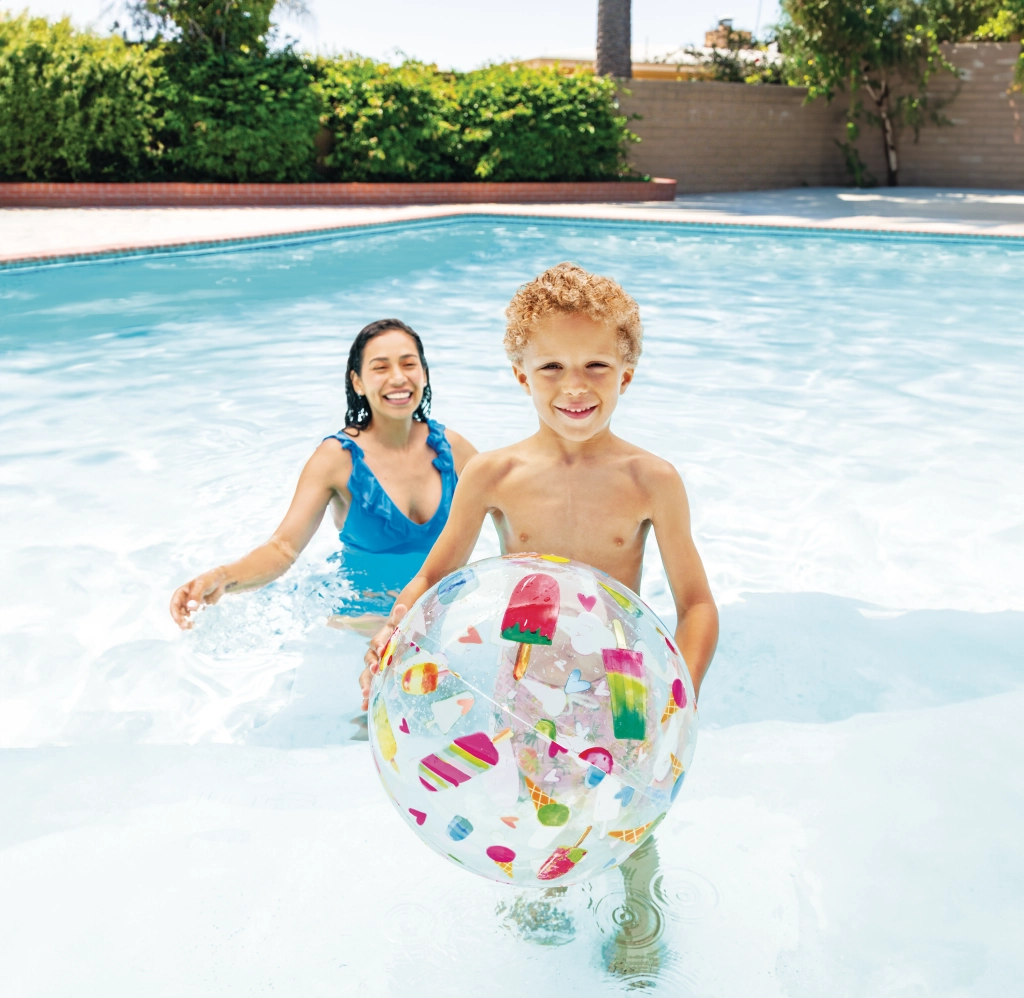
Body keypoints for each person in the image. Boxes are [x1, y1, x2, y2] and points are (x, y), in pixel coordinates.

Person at [361, 263, 718, 711]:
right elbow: (433, 580)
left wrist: (681, 693)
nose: (575, 386)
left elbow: (696, 605)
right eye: (551, 366)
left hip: (621, 689)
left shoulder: (651, 481)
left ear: (625, 376)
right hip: (522, 687)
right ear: (522, 377)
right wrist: (393, 632)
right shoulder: (493, 475)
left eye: (596, 365)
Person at [169, 319, 476, 632]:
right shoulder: (336, 460)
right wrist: (220, 578)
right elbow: (282, 550)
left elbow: (502, 500)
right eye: (380, 367)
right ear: (357, 382)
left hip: (441, 617)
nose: (398, 378)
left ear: (424, 373)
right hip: (364, 625)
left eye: (408, 364)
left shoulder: (454, 450)